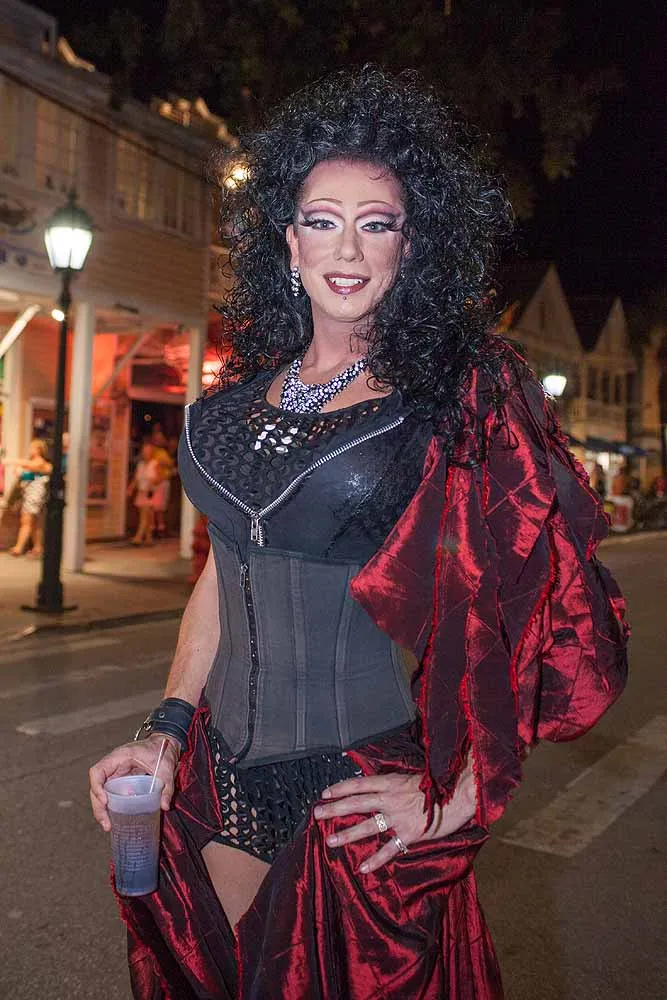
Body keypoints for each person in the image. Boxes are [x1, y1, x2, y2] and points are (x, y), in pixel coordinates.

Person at [89, 68, 629, 1000]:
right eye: (321, 219)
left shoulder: (456, 396)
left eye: (376, 223)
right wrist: (166, 730)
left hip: (359, 795)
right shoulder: (230, 406)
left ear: (409, 245)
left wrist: (460, 792)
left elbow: (545, 610)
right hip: (216, 785)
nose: (346, 248)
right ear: (287, 238)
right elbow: (223, 573)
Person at [3, 438, 52, 557]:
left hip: (34, 496)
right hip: (31, 495)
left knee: (26, 521)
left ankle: (18, 548)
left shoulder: (40, 462)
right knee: (33, 523)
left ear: (38, 450)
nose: (30, 450)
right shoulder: (35, 463)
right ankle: (38, 548)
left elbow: (29, 465)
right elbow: (27, 476)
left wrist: (11, 461)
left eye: (32, 447)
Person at [127, 442, 160, 546]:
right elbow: (136, 478)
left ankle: (138, 537)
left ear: (151, 452)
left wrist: (151, 484)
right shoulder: (140, 465)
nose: (146, 453)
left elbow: (158, 478)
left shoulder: (155, 463)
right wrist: (130, 488)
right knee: (147, 516)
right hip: (141, 492)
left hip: (150, 493)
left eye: (148, 451)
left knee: (144, 516)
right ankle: (149, 538)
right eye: (144, 451)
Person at [150, 428, 175, 537]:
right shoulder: (153, 451)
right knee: (154, 507)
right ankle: (154, 528)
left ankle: (160, 528)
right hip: (155, 482)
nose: (160, 440)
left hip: (162, 481)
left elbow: (170, 464)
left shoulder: (163, 452)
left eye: (161, 438)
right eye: (157, 438)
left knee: (160, 507)